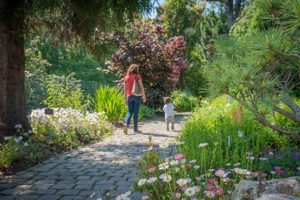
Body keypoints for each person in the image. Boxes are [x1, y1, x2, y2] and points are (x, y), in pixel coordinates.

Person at [123, 64, 146, 134]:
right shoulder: (137, 76)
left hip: (129, 96)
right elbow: (141, 86)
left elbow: (125, 89)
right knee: (135, 113)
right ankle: (135, 129)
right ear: (136, 69)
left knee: (129, 112)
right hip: (137, 96)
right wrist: (144, 95)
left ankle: (126, 123)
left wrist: (125, 98)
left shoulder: (126, 77)